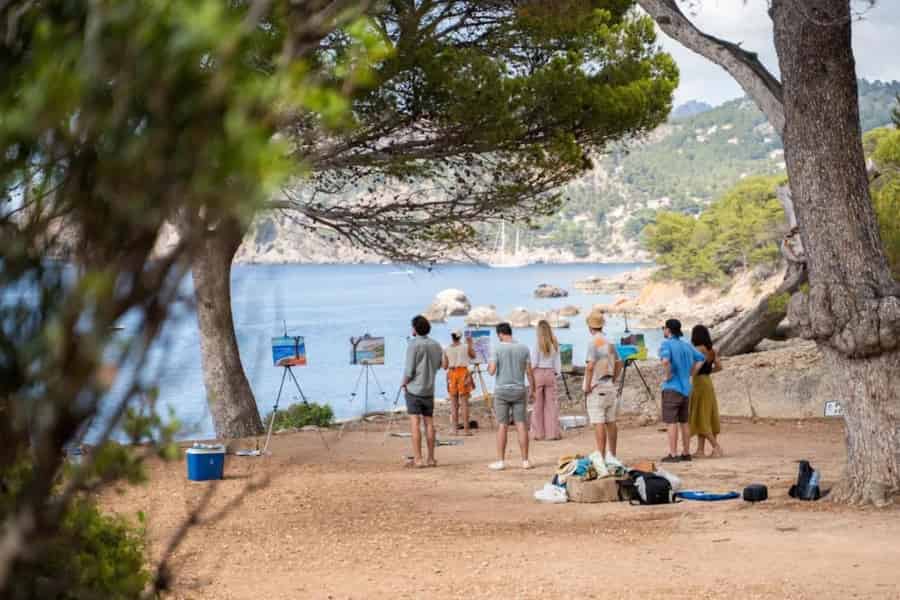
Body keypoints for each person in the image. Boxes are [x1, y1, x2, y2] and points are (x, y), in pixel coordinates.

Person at [487, 322, 534, 470]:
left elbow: (492, 371)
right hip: (520, 389)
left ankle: (501, 461)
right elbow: (529, 371)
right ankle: (525, 461)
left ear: (500, 334)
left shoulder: (497, 348)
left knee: (502, 425)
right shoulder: (524, 348)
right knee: (521, 424)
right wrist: (532, 388)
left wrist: (488, 365)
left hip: (502, 391)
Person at [659, 318, 706, 463]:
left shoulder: (666, 344)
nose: (663, 330)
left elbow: (665, 361)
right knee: (684, 422)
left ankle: (673, 454)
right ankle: (686, 452)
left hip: (672, 387)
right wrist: (692, 372)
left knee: (671, 422)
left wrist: (667, 375)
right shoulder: (686, 345)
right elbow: (701, 358)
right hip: (686, 388)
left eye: (664, 328)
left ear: (668, 330)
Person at [401, 315, 444, 468]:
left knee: (415, 423)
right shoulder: (436, 345)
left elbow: (409, 370)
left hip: (414, 389)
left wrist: (403, 383)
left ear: (415, 329)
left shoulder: (413, 345)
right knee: (429, 423)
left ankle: (418, 459)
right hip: (428, 389)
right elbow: (440, 365)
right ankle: (431, 458)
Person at [583, 311, 623, 458]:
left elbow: (590, 366)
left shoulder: (593, 342)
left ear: (590, 326)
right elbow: (620, 362)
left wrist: (587, 385)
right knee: (611, 421)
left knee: (598, 421)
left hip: (597, 386)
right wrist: (614, 379)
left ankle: (601, 455)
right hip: (610, 386)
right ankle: (612, 454)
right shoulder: (609, 341)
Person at [689, 324, 724, 458]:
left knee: (700, 416)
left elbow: (694, 370)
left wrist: (692, 373)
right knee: (705, 414)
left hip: (699, 384)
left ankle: (716, 447)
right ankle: (700, 450)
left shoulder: (696, 349)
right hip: (707, 381)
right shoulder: (711, 350)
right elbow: (720, 367)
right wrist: (708, 372)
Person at [530, 320, 563, 441]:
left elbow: (533, 362)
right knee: (551, 405)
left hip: (538, 374)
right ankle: (552, 433)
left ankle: (538, 434)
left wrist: (530, 375)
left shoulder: (537, 344)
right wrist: (556, 373)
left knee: (537, 405)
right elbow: (558, 363)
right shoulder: (554, 343)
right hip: (550, 373)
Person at [442, 329, 476, 436]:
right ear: (460, 337)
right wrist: (470, 344)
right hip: (463, 374)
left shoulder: (446, 349)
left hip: (452, 374)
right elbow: (473, 356)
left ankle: (454, 430)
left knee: (454, 404)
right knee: (464, 404)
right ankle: (466, 430)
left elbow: (444, 366)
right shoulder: (465, 347)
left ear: (452, 337)